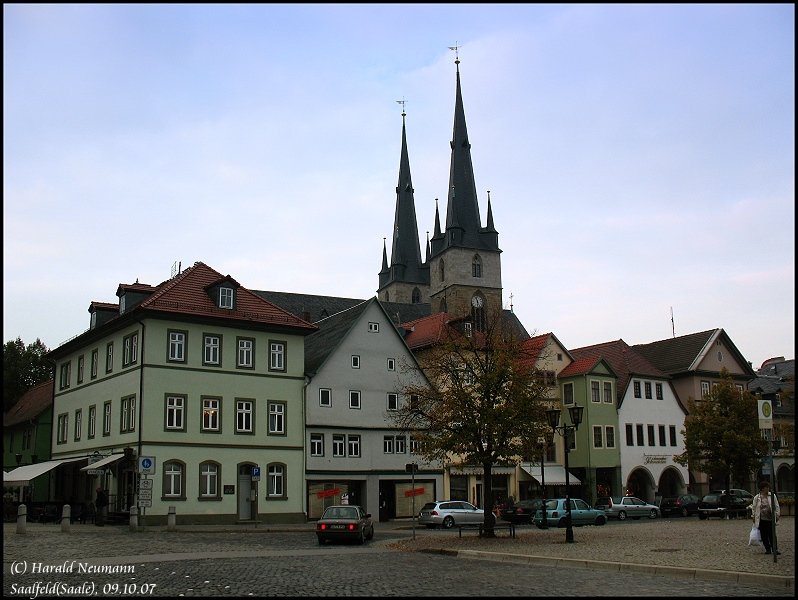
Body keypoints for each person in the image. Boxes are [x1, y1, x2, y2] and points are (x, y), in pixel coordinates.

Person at [751, 481, 780, 555]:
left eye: (768, 487)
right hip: (761, 519)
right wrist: (753, 516)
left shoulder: (772, 496)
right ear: (762, 489)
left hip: (770, 518)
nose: (768, 489)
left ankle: (775, 549)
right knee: (764, 535)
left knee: (772, 534)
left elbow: (776, 506)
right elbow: (754, 508)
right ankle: (768, 549)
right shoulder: (757, 497)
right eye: (766, 487)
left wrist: (777, 515)